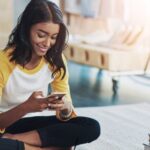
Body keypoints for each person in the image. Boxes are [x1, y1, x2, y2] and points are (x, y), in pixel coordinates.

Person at [0, 0, 100, 150]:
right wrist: (26, 107)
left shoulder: (56, 61)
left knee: (91, 126)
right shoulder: (4, 62)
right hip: (5, 124)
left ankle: (17, 141)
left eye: (53, 37)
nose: (47, 43)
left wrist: (65, 107)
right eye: (41, 35)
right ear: (26, 29)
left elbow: (67, 117)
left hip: (33, 128)